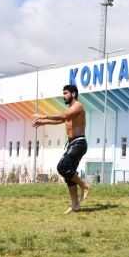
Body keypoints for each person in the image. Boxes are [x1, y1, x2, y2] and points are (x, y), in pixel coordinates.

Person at [32, 84, 90, 213]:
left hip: (78, 143)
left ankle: (84, 185)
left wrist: (44, 116)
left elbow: (63, 116)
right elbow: (62, 121)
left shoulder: (78, 106)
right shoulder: (71, 108)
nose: (63, 96)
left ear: (73, 94)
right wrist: (44, 123)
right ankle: (75, 204)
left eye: (65, 93)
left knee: (62, 167)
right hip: (72, 143)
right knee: (68, 174)